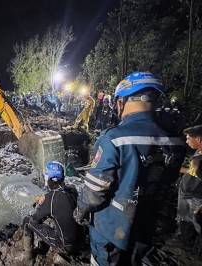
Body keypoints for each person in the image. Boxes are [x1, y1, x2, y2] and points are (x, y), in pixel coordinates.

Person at [73, 71, 186, 266]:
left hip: (111, 231)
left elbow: (94, 195)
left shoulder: (114, 138)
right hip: (147, 228)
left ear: (121, 102)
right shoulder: (176, 141)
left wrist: (80, 212)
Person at [22, 161, 81, 263]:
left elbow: (35, 219)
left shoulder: (49, 199)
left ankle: (29, 257)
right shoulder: (73, 190)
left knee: (27, 220)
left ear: (48, 178)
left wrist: (39, 203)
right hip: (81, 241)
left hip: (67, 247)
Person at [166, 125, 202, 252]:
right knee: (184, 217)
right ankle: (183, 239)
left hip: (196, 196)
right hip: (187, 193)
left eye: (188, 138)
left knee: (197, 221)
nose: (186, 141)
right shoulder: (197, 153)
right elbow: (191, 171)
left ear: (199, 139)